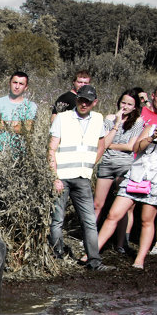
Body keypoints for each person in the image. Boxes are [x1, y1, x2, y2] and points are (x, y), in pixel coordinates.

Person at [96, 108, 157, 270]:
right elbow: (137, 148)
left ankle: (140, 259)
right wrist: (152, 137)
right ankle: (93, 253)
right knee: (113, 214)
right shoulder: (150, 129)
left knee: (146, 220)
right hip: (136, 177)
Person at [47, 84, 106, 269]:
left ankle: (94, 262)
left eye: (88, 101)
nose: (84, 104)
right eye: (81, 100)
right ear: (77, 99)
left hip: (82, 178)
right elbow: (51, 149)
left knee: (89, 221)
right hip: (62, 177)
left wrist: (90, 165)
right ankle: (57, 259)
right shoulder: (63, 118)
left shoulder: (98, 119)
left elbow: (101, 145)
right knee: (57, 220)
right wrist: (54, 177)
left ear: (94, 102)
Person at [92, 90, 143, 252]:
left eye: (129, 104)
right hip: (107, 163)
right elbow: (104, 142)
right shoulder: (109, 119)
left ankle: (121, 243)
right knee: (97, 204)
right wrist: (116, 123)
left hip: (125, 166)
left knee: (124, 207)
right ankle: (91, 239)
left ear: (135, 107)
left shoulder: (138, 122)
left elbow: (131, 146)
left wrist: (110, 144)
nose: (125, 106)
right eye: (123, 103)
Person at [0, 71, 37, 155]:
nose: (17, 86)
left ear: (26, 87)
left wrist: (4, 123)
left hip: (20, 155)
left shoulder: (31, 106)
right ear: (9, 83)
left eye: (21, 84)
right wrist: (16, 124)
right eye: (15, 82)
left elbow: (27, 128)